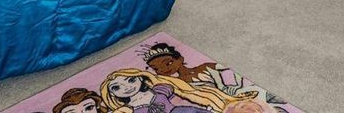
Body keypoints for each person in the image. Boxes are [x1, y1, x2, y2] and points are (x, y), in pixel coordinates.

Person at [100, 69, 255, 113]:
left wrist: (222, 102)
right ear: (112, 94)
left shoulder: (158, 90)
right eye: (116, 87)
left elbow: (190, 93)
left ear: (141, 78)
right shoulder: (126, 109)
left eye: (131, 80)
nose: (126, 87)